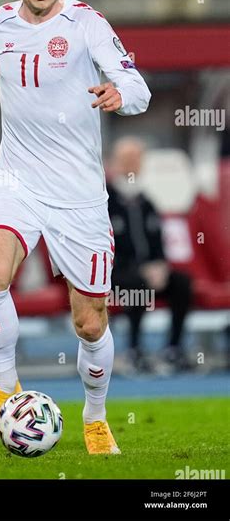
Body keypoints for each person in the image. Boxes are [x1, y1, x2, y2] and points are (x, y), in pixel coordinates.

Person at [0, 0, 151, 454]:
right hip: (17, 179)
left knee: (89, 323)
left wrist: (120, 96)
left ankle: (94, 416)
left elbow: (138, 86)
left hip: (79, 196)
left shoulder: (88, 24)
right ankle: (3, 387)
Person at [107, 138, 192, 372]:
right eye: (126, 160)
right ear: (115, 163)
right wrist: (139, 269)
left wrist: (161, 267)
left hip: (149, 271)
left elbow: (158, 243)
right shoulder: (106, 202)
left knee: (182, 283)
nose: (132, 165)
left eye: (136, 160)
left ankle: (173, 348)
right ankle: (134, 349)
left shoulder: (147, 202)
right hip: (116, 275)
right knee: (137, 284)